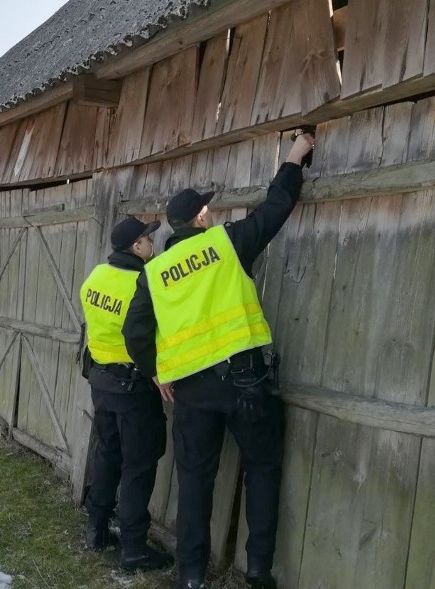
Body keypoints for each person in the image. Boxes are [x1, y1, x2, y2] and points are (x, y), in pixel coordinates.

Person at [122, 132, 315, 589]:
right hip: (248, 384)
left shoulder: (153, 274)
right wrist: (293, 158)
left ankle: (190, 576)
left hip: (191, 392)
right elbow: (274, 209)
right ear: (201, 217)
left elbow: (135, 333)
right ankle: (259, 572)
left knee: (194, 483)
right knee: (262, 472)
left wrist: (156, 373)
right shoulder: (227, 244)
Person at [79, 216, 173, 573]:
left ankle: (97, 527)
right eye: (148, 238)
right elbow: (151, 335)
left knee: (108, 454)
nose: (152, 243)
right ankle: (133, 548)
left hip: (101, 383)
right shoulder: (142, 283)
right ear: (137, 246)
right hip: (135, 388)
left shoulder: (95, 277)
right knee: (139, 465)